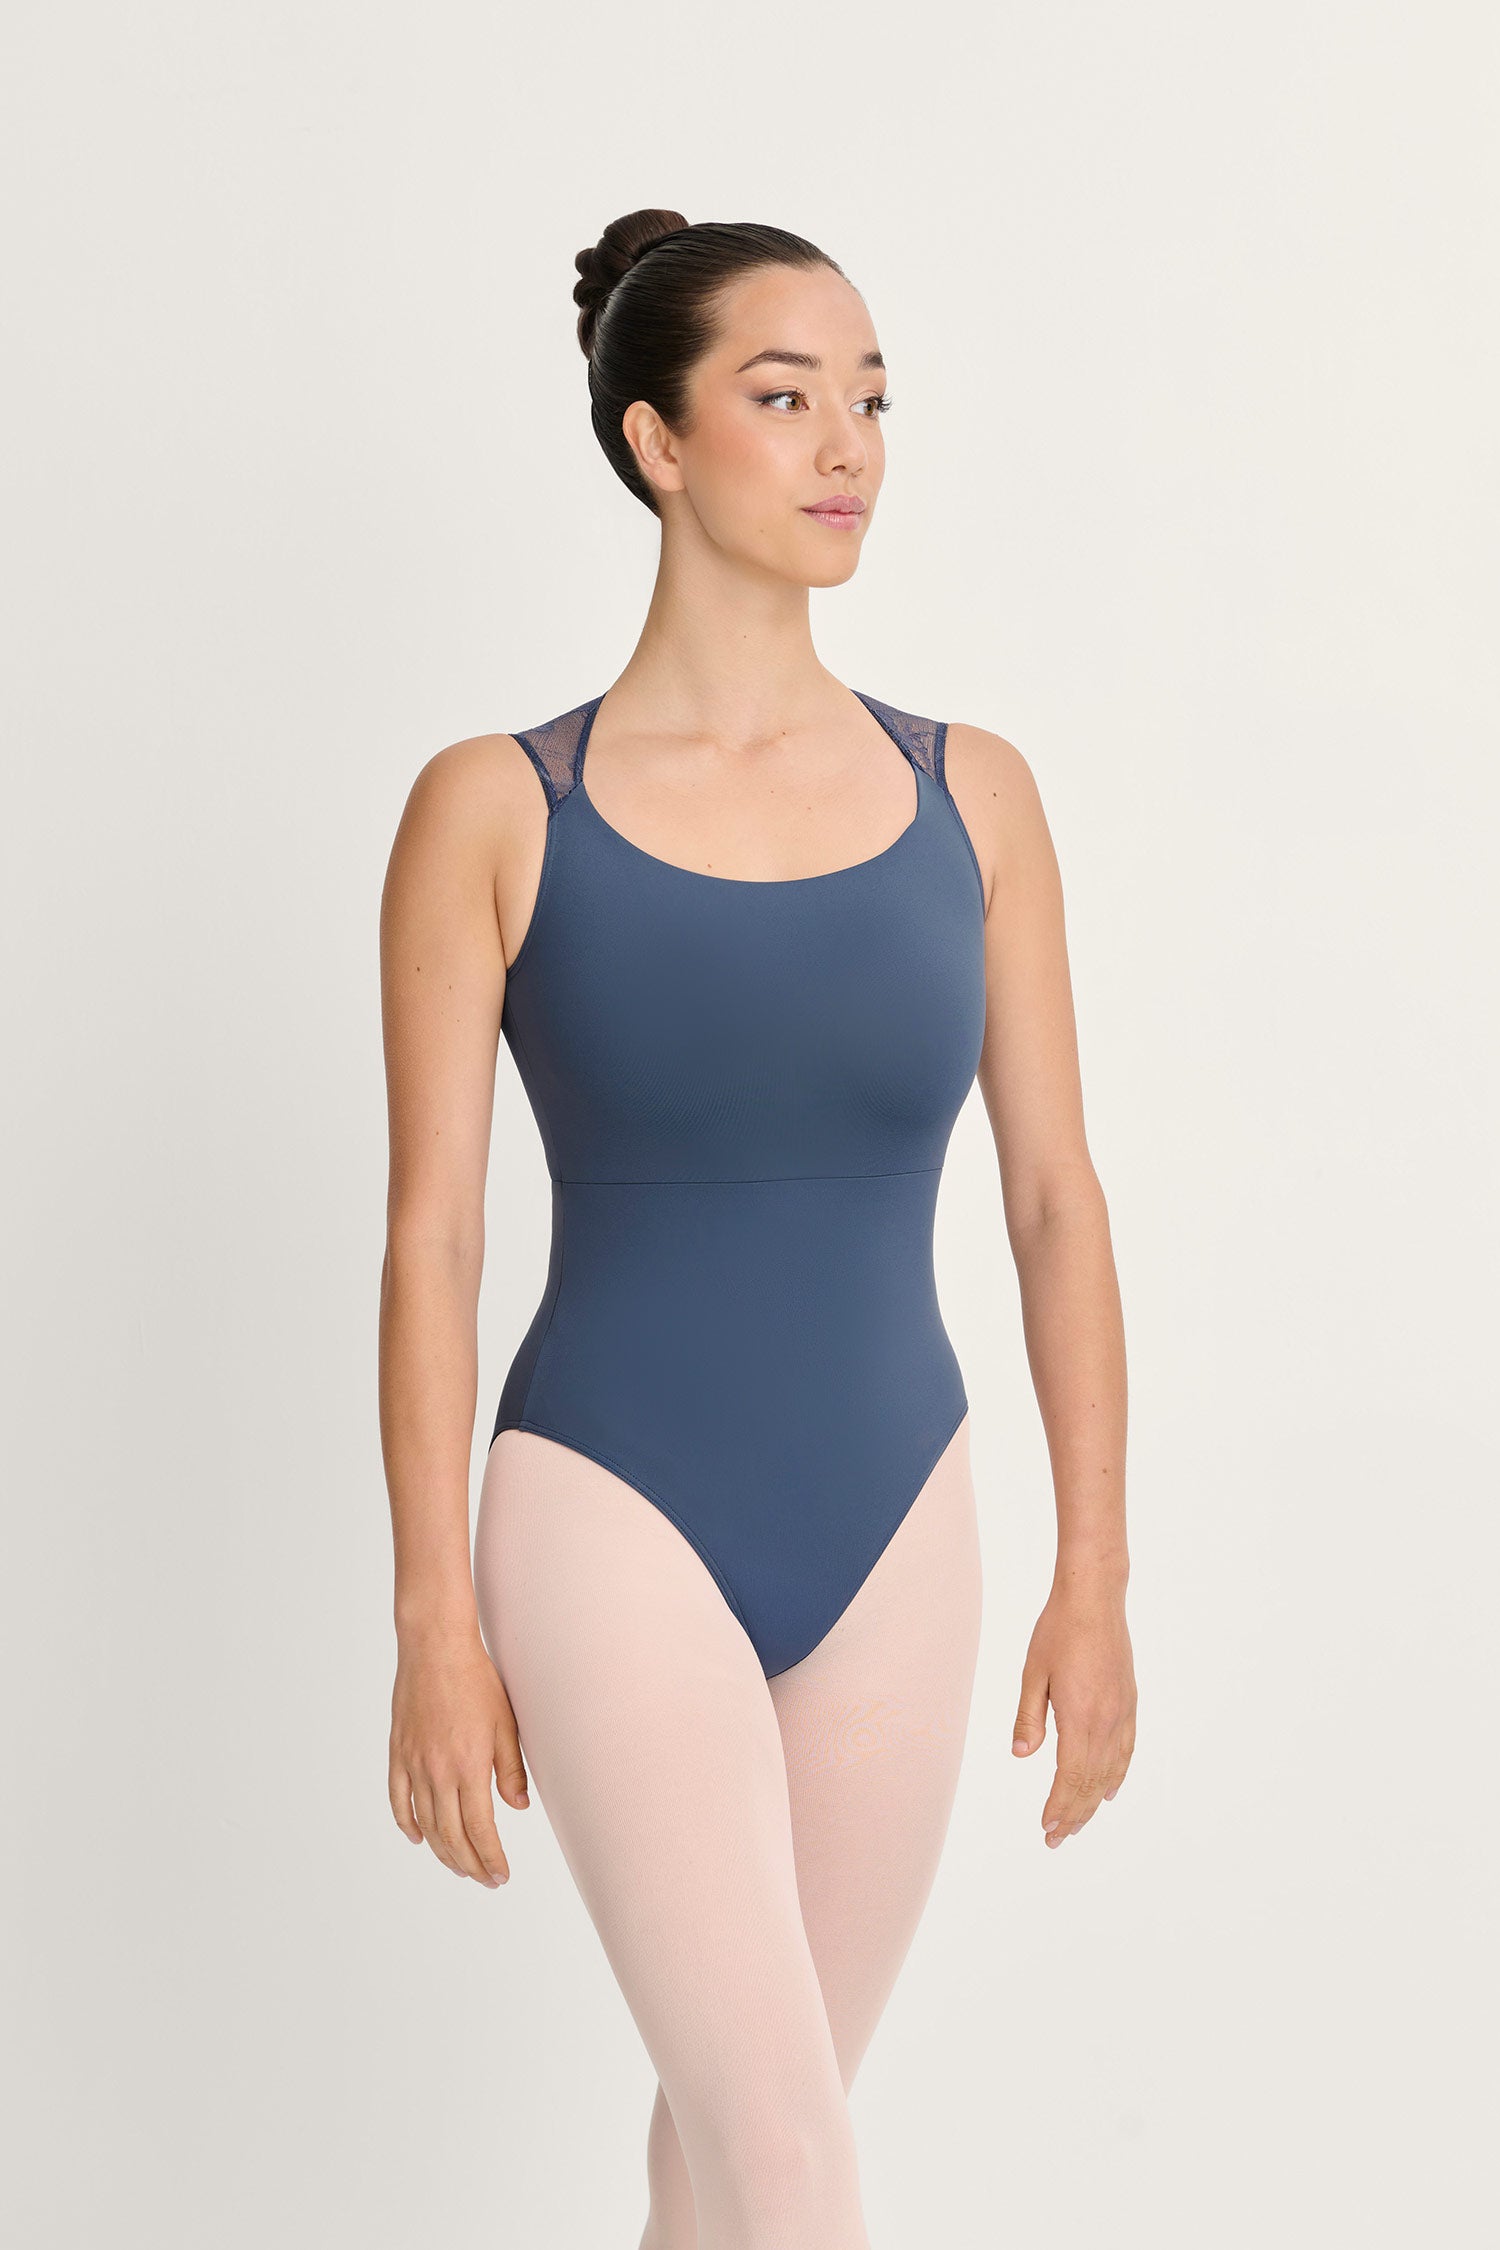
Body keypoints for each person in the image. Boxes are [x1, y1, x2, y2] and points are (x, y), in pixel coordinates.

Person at [378, 210, 1136, 2250]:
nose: (847, 445)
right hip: (605, 1502)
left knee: (724, 2151)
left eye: (871, 399)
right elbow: (430, 1238)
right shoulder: (494, 806)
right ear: (655, 440)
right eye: (784, 397)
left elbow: (1055, 1198)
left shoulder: (978, 795)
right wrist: (432, 1617)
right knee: (791, 2161)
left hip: (900, 1519)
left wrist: (1095, 1571)